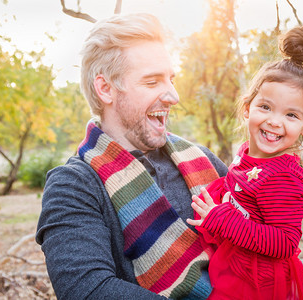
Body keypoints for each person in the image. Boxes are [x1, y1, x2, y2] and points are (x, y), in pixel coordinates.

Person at [36, 13, 228, 299]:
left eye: (170, 80)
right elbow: (86, 291)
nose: (173, 96)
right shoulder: (73, 186)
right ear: (106, 89)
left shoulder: (202, 159)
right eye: (152, 82)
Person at [186, 26, 303, 300]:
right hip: (234, 262)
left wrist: (222, 220)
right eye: (265, 107)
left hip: (255, 282)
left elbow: (285, 243)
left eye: (291, 115)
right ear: (247, 107)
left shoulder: (282, 178)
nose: (275, 121)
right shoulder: (247, 154)